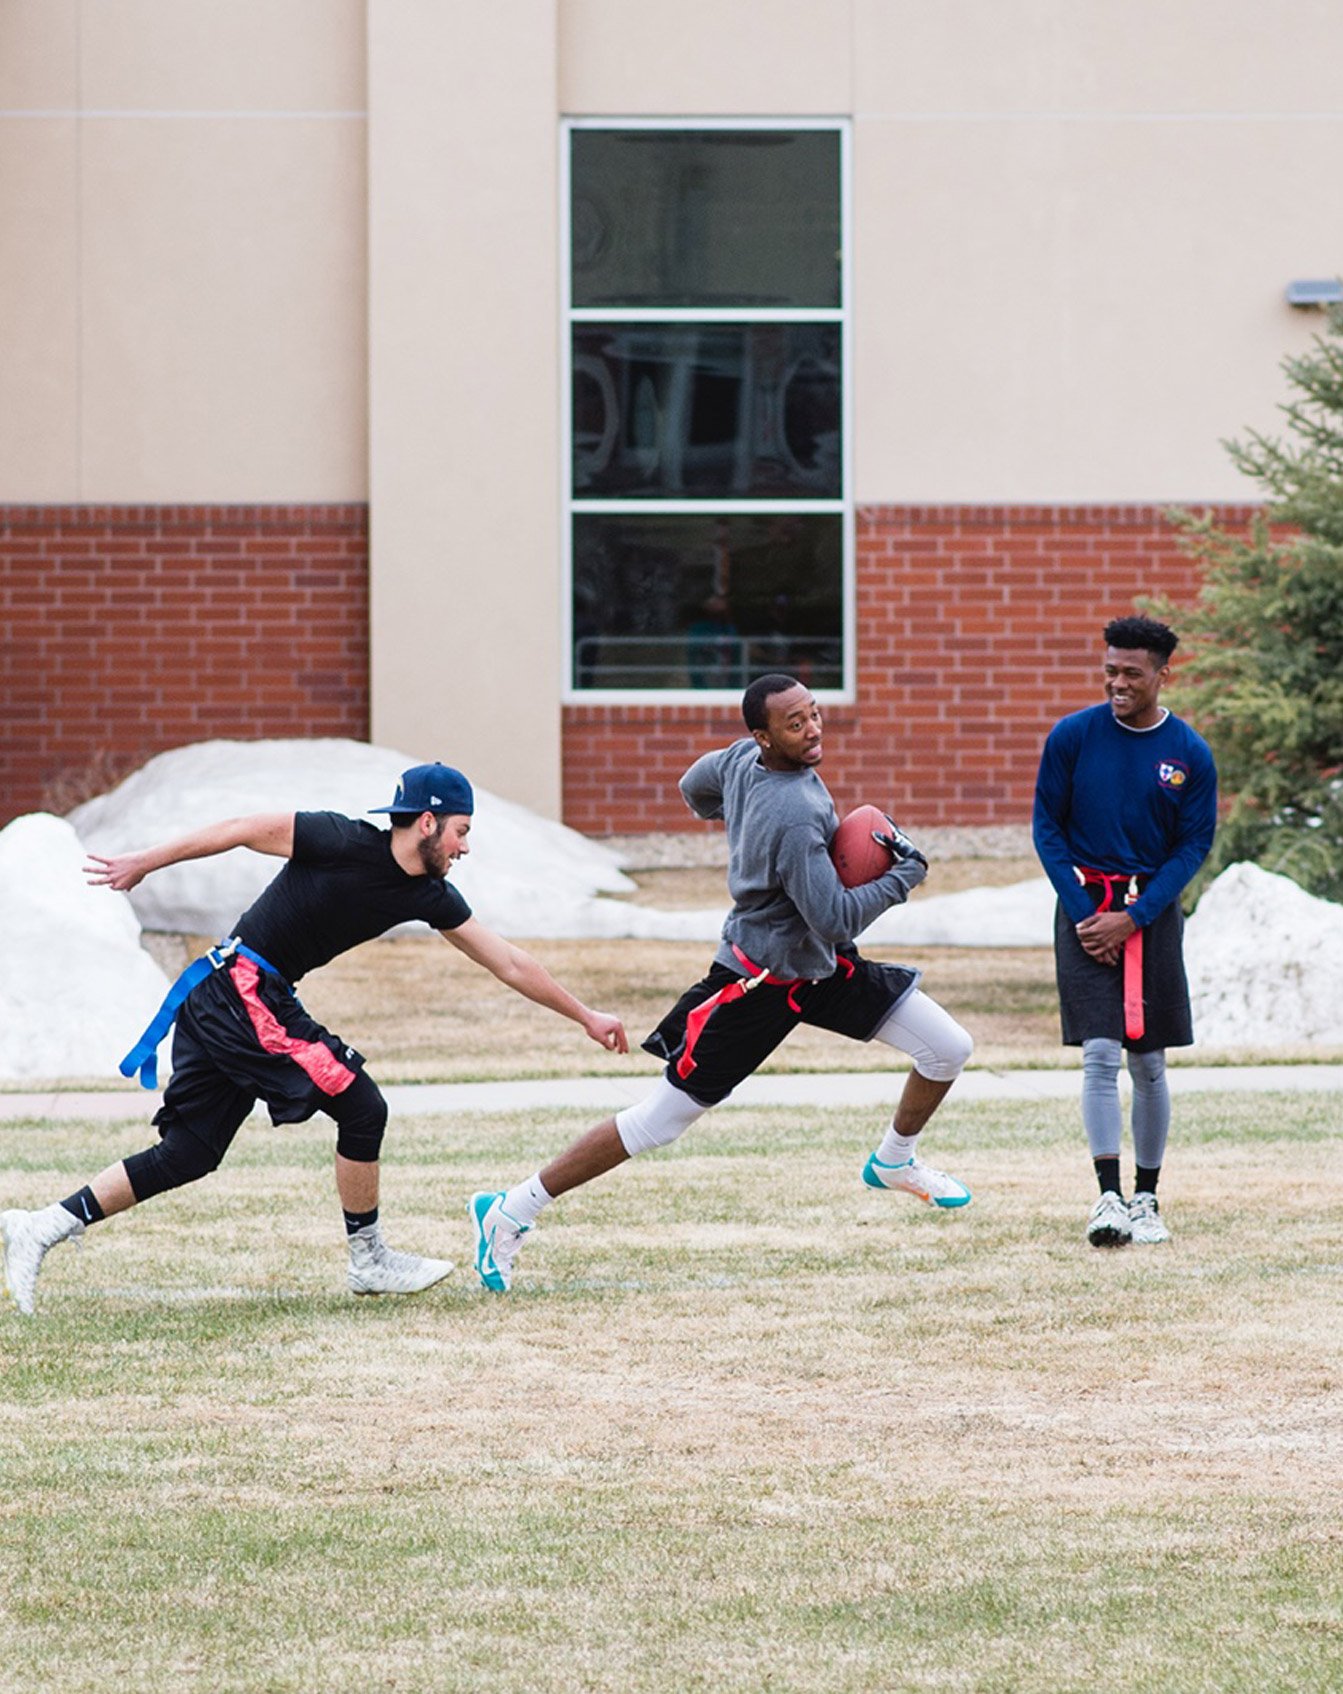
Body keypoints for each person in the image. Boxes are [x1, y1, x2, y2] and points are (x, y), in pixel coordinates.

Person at [1, 763, 627, 1316]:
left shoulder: (427, 894)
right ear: (429, 823)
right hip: (241, 991)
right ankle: (368, 1257)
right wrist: (145, 861)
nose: (466, 847)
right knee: (361, 1103)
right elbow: (243, 827)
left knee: (191, 1151)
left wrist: (585, 1015)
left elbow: (509, 963)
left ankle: (41, 1225)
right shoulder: (340, 838)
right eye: (463, 831)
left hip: (237, 999)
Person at [468, 674, 974, 1294]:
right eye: (795, 723)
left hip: (816, 966)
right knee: (659, 1123)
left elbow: (692, 786)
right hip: (756, 984)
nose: (813, 728)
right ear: (763, 736)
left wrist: (739, 819)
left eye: (815, 714)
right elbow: (835, 915)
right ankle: (510, 1210)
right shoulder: (794, 814)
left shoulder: (741, 759)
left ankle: (893, 1161)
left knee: (948, 1047)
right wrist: (906, 873)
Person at [1032, 616, 1217, 1248]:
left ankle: (1147, 1198)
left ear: (1164, 675)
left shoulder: (1189, 753)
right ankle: (1106, 1197)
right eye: (1110, 670)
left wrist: (1134, 918)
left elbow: (1193, 847)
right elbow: (1047, 830)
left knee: (1150, 1061)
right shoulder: (1072, 737)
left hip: (1151, 916)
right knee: (1100, 1054)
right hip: (1085, 913)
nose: (1117, 682)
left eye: (1132, 673)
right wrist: (1086, 912)